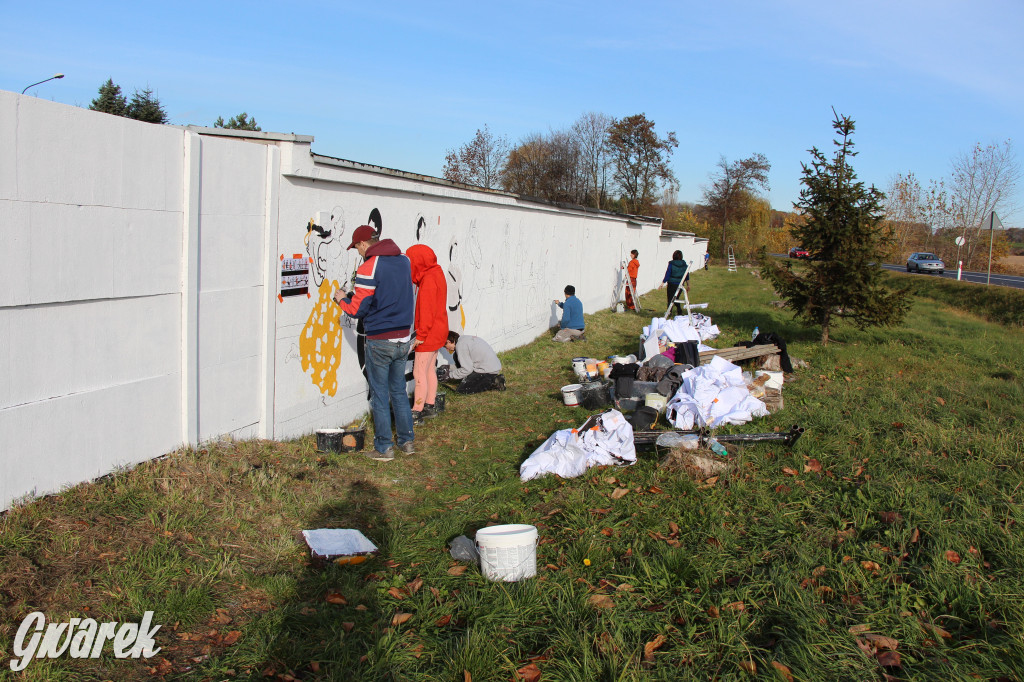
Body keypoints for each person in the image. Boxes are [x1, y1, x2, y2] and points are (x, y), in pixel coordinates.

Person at [334, 224, 416, 461]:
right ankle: (407, 441)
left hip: (380, 340)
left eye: (357, 248)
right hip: (403, 338)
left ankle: (383, 447)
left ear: (362, 244)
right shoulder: (403, 260)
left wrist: (341, 300)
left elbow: (357, 309)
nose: (358, 253)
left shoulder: (369, 267)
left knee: (380, 395)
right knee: (399, 392)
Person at [406, 244, 448, 425]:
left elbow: (427, 311)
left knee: (418, 371)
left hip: (428, 333)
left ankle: (417, 411)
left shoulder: (428, 280)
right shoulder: (436, 272)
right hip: (439, 330)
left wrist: (420, 336)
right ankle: (430, 405)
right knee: (430, 369)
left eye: (411, 260)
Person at [659, 250, 689, 316]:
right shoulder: (685, 265)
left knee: (670, 298)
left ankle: (669, 312)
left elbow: (668, 274)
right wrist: (688, 285)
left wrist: (663, 283)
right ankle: (679, 311)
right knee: (676, 298)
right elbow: (687, 275)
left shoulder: (671, 264)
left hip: (671, 284)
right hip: (680, 284)